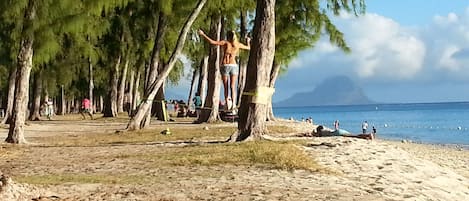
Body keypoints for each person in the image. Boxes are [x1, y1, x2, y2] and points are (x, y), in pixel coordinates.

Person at [198, 29, 250, 113]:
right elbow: (248, 48)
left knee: (227, 86)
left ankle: (228, 103)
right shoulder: (237, 44)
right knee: (232, 86)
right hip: (233, 66)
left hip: (225, 65)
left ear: (228, 36)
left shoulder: (225, 43)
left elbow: (212, 42)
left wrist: (203, 34)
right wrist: (248, 41)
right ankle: (232, 104)